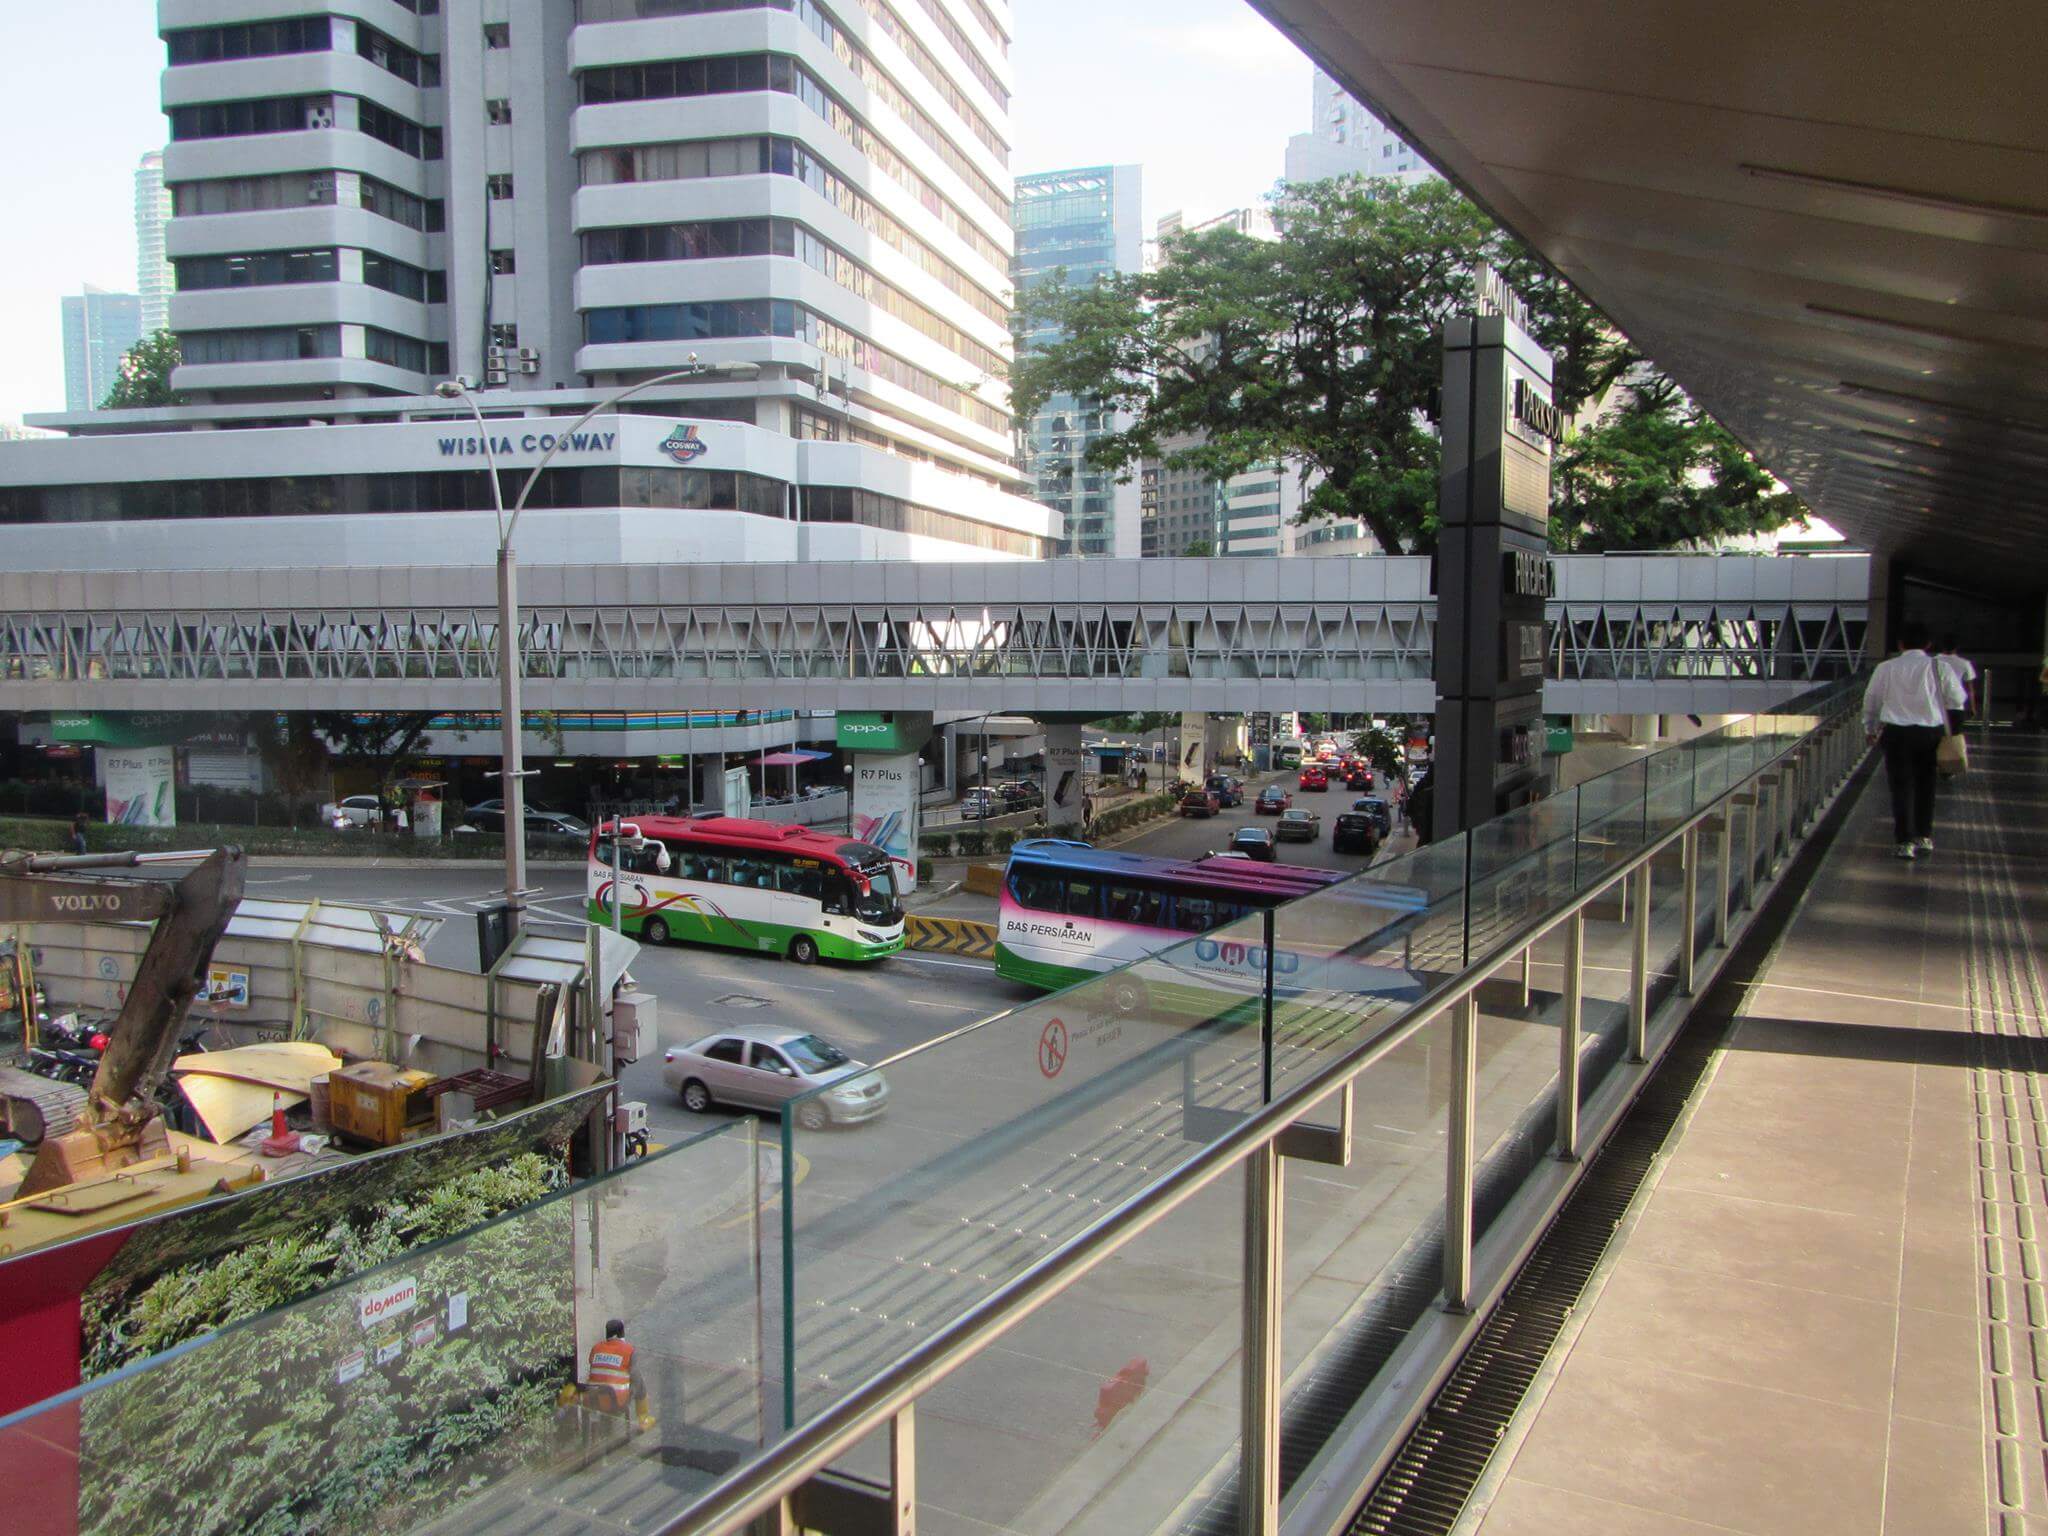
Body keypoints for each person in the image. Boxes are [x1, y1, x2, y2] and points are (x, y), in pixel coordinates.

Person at [1863, 622, 1965, 860]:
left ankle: (1904, 841)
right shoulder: (1939, 667)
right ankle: (1924, 836)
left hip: (1896, 734)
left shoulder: (1886, 668)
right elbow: (1958, 699)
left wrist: (1870, 728)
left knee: (1900, 787)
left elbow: (1872, 700)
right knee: (1926, 785)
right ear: (1928, 644)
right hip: (1929, 734)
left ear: (1900, 644)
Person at [586, 1318, 648, 1423]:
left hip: (594, 1400)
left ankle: (596, 1418)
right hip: (616, 1402)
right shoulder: (629, 1350)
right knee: (640, 1383)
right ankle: (643, 1420)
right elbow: (635, 1378)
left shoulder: (596, 1348)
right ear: (622, 1334)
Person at [1936, 635, 1977, 735]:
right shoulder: (1964, 663)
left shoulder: (1933, 661)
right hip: (1956, 705)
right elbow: (1969, 689)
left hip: (1936, 704)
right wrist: (1972, 707)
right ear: (1957, 647)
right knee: (1954, 736)